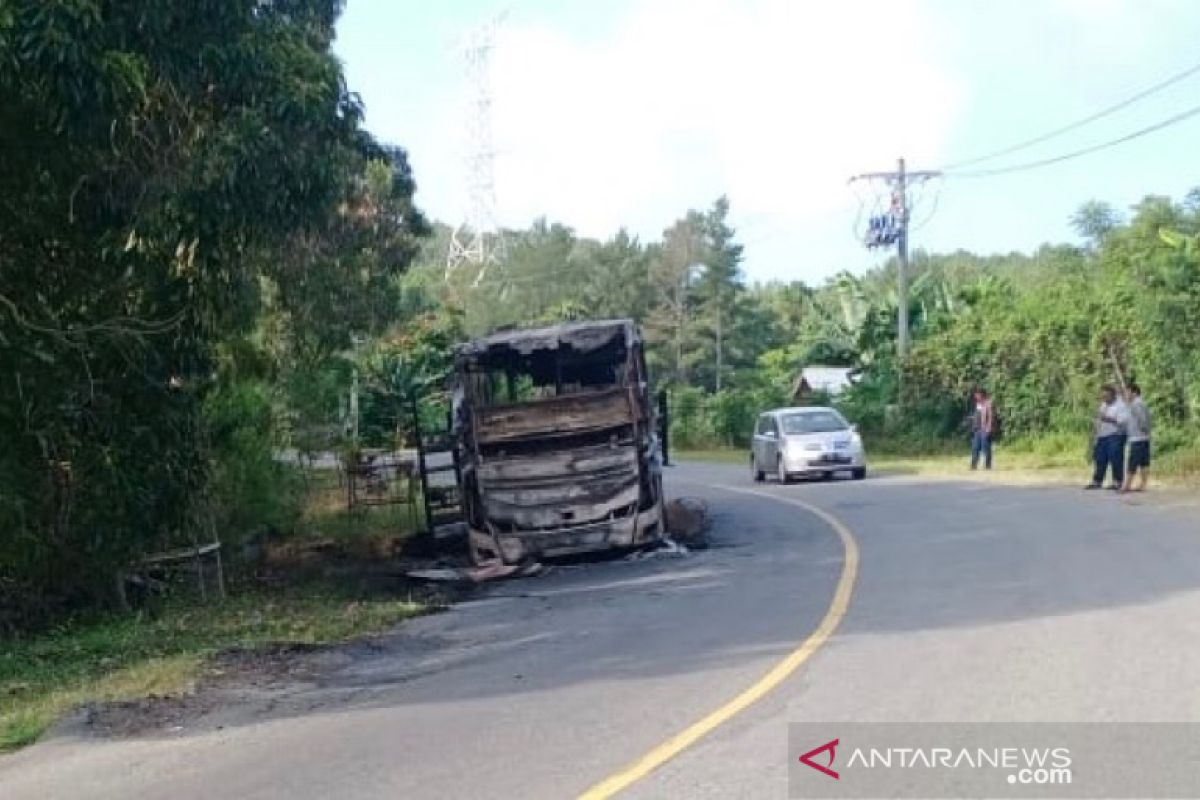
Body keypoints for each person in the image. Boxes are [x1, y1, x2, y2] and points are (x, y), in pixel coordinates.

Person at [1086, 384, 1128, 490]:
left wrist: (1108, 419)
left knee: (1116, 459)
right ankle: (1097, 481)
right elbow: (1098, 420)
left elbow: (1123, 422)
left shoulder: (1120, 406)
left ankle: (1117, 481)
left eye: (1106, 396)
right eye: (1103, 396)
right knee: (1099, 458)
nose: (1104, 399)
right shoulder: (1103, 405)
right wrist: (1093, 433)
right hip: (1102, 435)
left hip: (1116, 435)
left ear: (1113, 395)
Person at [1122, 383, 1151, 493]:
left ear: (1134, 392)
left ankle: (1127, 485)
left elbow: (1142, 419)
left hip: (1137, 437)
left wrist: (1143, 429)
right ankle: (1143, 485)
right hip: (1144, 438)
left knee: (1133, 461)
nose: (1125, 394)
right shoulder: (1142, 403)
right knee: (1144, 462)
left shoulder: (1135, 404)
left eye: (1127, 392)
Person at [970, 388, 994, 470]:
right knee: (975, 447)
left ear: (982, 394)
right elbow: (977, 416)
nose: (976, 396)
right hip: (977, 429)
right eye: (976, 394)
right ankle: (973, 465)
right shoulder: (977, 404)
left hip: (985, 429)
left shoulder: (988, 403)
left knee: (985, 447)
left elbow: (991, 417)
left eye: (978, 394)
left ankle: (988, 465)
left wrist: (989, 428)